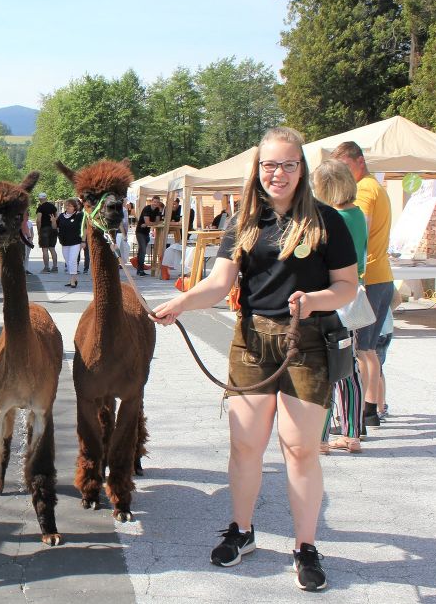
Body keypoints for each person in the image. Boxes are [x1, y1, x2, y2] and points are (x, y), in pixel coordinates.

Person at [151, 127, 358, 592]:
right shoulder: (244, 222)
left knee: (299, 449)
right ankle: (242, 532)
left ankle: (305, 546)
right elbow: (220, 283)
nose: (278, 173)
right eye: (269, 165)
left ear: (301, 169)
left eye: (288, 164)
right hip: (251, 342)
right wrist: (182, 303)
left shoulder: (327, 222)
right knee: (245, 446)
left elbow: (348, 287)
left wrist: (316, 299)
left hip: (307, 344)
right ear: (257, 169)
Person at [331, 142, 395, 428]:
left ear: (359, 161)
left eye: (345, 166)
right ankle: (372, 407)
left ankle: (365, 410)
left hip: (366, 280)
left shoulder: (365, 190)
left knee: (361, 350)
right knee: (367, 349)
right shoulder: (375, 186)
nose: (342, 173)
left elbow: (360, 233)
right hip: (380, 277)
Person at [312, 159, 368, 454]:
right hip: (353, 294)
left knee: (327, 366)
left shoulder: (332, 218)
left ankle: (320, 437)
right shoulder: (358, 214)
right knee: (348, 365)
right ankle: (352, 431)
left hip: (333, 297)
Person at [57, 198, 83, 289]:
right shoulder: (61, 216)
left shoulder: (79, 215)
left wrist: (83, 241)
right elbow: (55, 227)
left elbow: (85, 228)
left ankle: (72, 281)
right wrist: (53, 221)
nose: (67, 207)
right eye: (66, 205)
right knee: (68, 261)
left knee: (72, 260)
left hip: (76, 242)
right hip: (64, 242)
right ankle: (74, 279)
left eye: (70, 205)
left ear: (74, 207)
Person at [135, 196, 162, 276]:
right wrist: (149, 223)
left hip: (146, 232)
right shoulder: (147, 208)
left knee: (142, 251)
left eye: (157, 202)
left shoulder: (157, 210)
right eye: (154, 202)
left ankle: (139, 269)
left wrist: (148, 224)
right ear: (151, 202)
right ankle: (140, 270)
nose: (155, 204)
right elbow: (149, 222)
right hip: (140, 232)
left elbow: (157, 222)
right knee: (142, 250)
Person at [35, 192, 58, 273]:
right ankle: (55, 267)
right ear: (46, 198)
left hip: (44, 229)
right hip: (53, 228)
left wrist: (38, 230)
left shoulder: (40, 208)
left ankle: (46, 268)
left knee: (45, 249)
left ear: (39, 199)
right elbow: (56, 217)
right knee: (52, 248)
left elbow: (38, 220)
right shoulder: (53, 206)